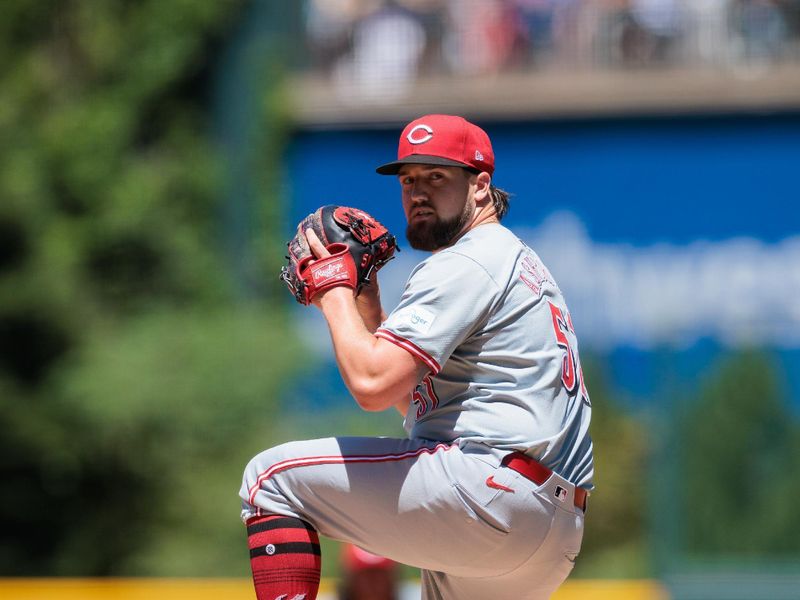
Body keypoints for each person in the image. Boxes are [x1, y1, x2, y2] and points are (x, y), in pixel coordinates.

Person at [240, 114, 594, 600]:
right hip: (549, 529)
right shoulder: (518, 262)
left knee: (270, 480)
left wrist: (334, 288)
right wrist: (365, 299)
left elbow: (371, 385)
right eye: (409, 180)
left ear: (481, 187)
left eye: (437, 177)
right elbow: (418, 404)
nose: (418, 192)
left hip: (491, 494)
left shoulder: (466, 260)